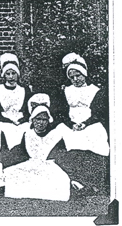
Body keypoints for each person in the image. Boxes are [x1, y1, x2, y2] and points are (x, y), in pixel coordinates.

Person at [53, 53, 110, 196]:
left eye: (78, 75)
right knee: (65, 139)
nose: (75, 79)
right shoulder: (66, 90)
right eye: (71, 77)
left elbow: (99, 113)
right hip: (71, 123)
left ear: (84, 74)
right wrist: (71, 123)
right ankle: (74, 180)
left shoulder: (95, 91)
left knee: (95, 138)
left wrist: (85, 123)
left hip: (91, 122)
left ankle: (93, 182)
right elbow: (62, 112)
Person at [3, 94, 71, 201]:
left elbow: (61, 155)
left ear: (49, 120)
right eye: (38, 119)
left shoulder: (55, 135)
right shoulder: (28, 134)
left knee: (59, 179)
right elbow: (22, 153)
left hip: (49, 165)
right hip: (31, 164)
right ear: (32, 120)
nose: (40, 122)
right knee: (14, 174)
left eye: (44, 119)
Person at [0, 53, 32, 149]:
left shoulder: (25, 90)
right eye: (8, 74)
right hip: (4, 120)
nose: (11, 77)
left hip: (21, 120)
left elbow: (28, 110)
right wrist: (8, 121)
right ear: (4, 75)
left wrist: (21, 120)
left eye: (13, 73)